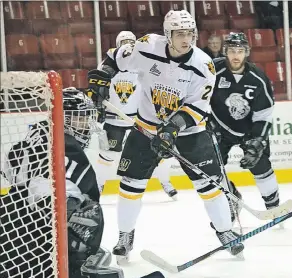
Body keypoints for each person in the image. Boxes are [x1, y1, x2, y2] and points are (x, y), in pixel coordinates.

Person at [86, 9, 245, 263]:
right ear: (167, 35)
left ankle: (225, 231)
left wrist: (171, 129)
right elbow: (114, 58)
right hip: (147, 127)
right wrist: (102, 77)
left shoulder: (203, 66)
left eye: (190, 33)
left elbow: (196, 108)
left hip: (190, 132)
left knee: (209, 185)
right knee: (130, 184)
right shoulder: (147, 47)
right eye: (179, 33)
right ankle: (125, 236)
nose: (186, 39)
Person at [0, 88, 128, 278]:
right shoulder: (65, 144)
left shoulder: (37, 132)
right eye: (81, 117)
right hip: (35, 241)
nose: (86, 124)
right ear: (65, 117)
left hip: (12, 235)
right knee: (87, 214)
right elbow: (53, 201)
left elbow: (10, 170)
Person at [207, 32, 280, 227]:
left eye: (240, 51)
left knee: (261, 165)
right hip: (220, 129)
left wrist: (257, 142)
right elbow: (198, 95)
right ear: (225, 52)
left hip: (249, 131)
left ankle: (274, 207)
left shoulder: (258, 78)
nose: (236, 55)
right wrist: (206, 121)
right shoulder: (213, 70)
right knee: (211, 170)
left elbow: (264, 116)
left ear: (246, 52)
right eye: (232, 50)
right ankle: (230, 201)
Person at [96, 30, 178, 200]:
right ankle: (99, 185)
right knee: (108, 157)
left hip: (139, 120)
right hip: (114, 120)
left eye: (130, 42)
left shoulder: (144, 62)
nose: (127, 46)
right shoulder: (108, 64)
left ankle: (165, 181)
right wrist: (99, 105)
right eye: (123, 42)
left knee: (158, 152)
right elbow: (98, 87)